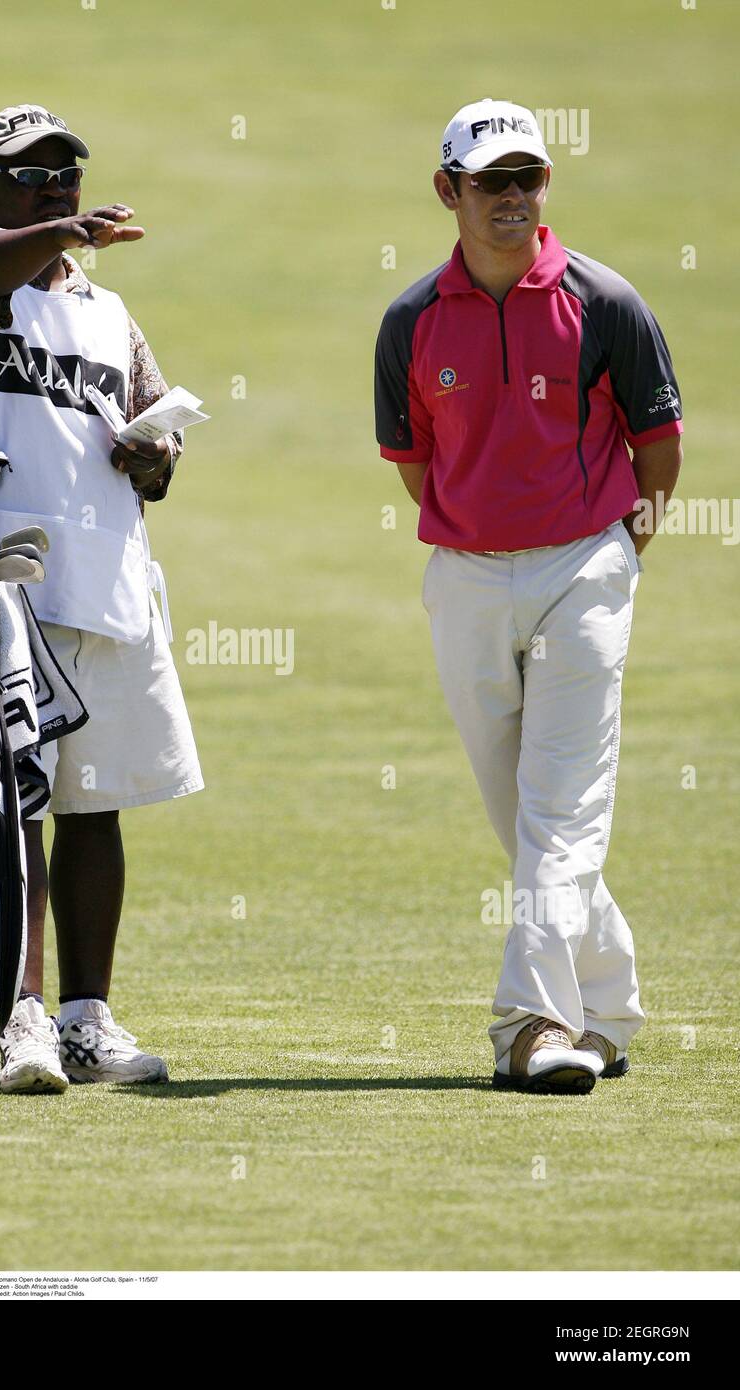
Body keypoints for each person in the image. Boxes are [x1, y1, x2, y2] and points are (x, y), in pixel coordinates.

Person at [374, 98, 683, 1093]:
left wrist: (616, 553)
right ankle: (608, 1008)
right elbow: (416, 464)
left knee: (559, 811)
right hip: (465, 578)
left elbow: (658, 448)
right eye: (490, 181)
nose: (512, 197)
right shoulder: (410, 321)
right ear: (447, 191)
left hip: (580, 571)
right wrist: (483, 536)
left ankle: (530, 1025)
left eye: (527, 179)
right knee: (529, 817)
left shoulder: (607, 301)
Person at [0, 104, 203, 1092]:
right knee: (15, 805)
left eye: (66, 171)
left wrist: (155, 450)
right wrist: (59, 233)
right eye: (29, 174)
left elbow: (157, 436)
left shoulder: (109, 316)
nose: (54, 186)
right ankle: (17, 1018)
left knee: (96, 808)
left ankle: (84, 1019)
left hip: (107, 583)